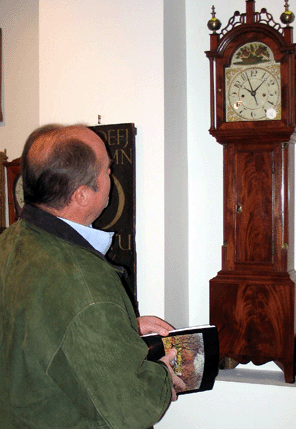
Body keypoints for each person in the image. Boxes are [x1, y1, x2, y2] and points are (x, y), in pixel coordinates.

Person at [0, 124, 185, 429]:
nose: (112, 178)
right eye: (107, 170)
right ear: (83, 195)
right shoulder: (84, 280)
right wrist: (164, 376)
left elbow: (37, 337)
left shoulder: (9, 245)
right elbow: (131, 408)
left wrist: (123, 329)